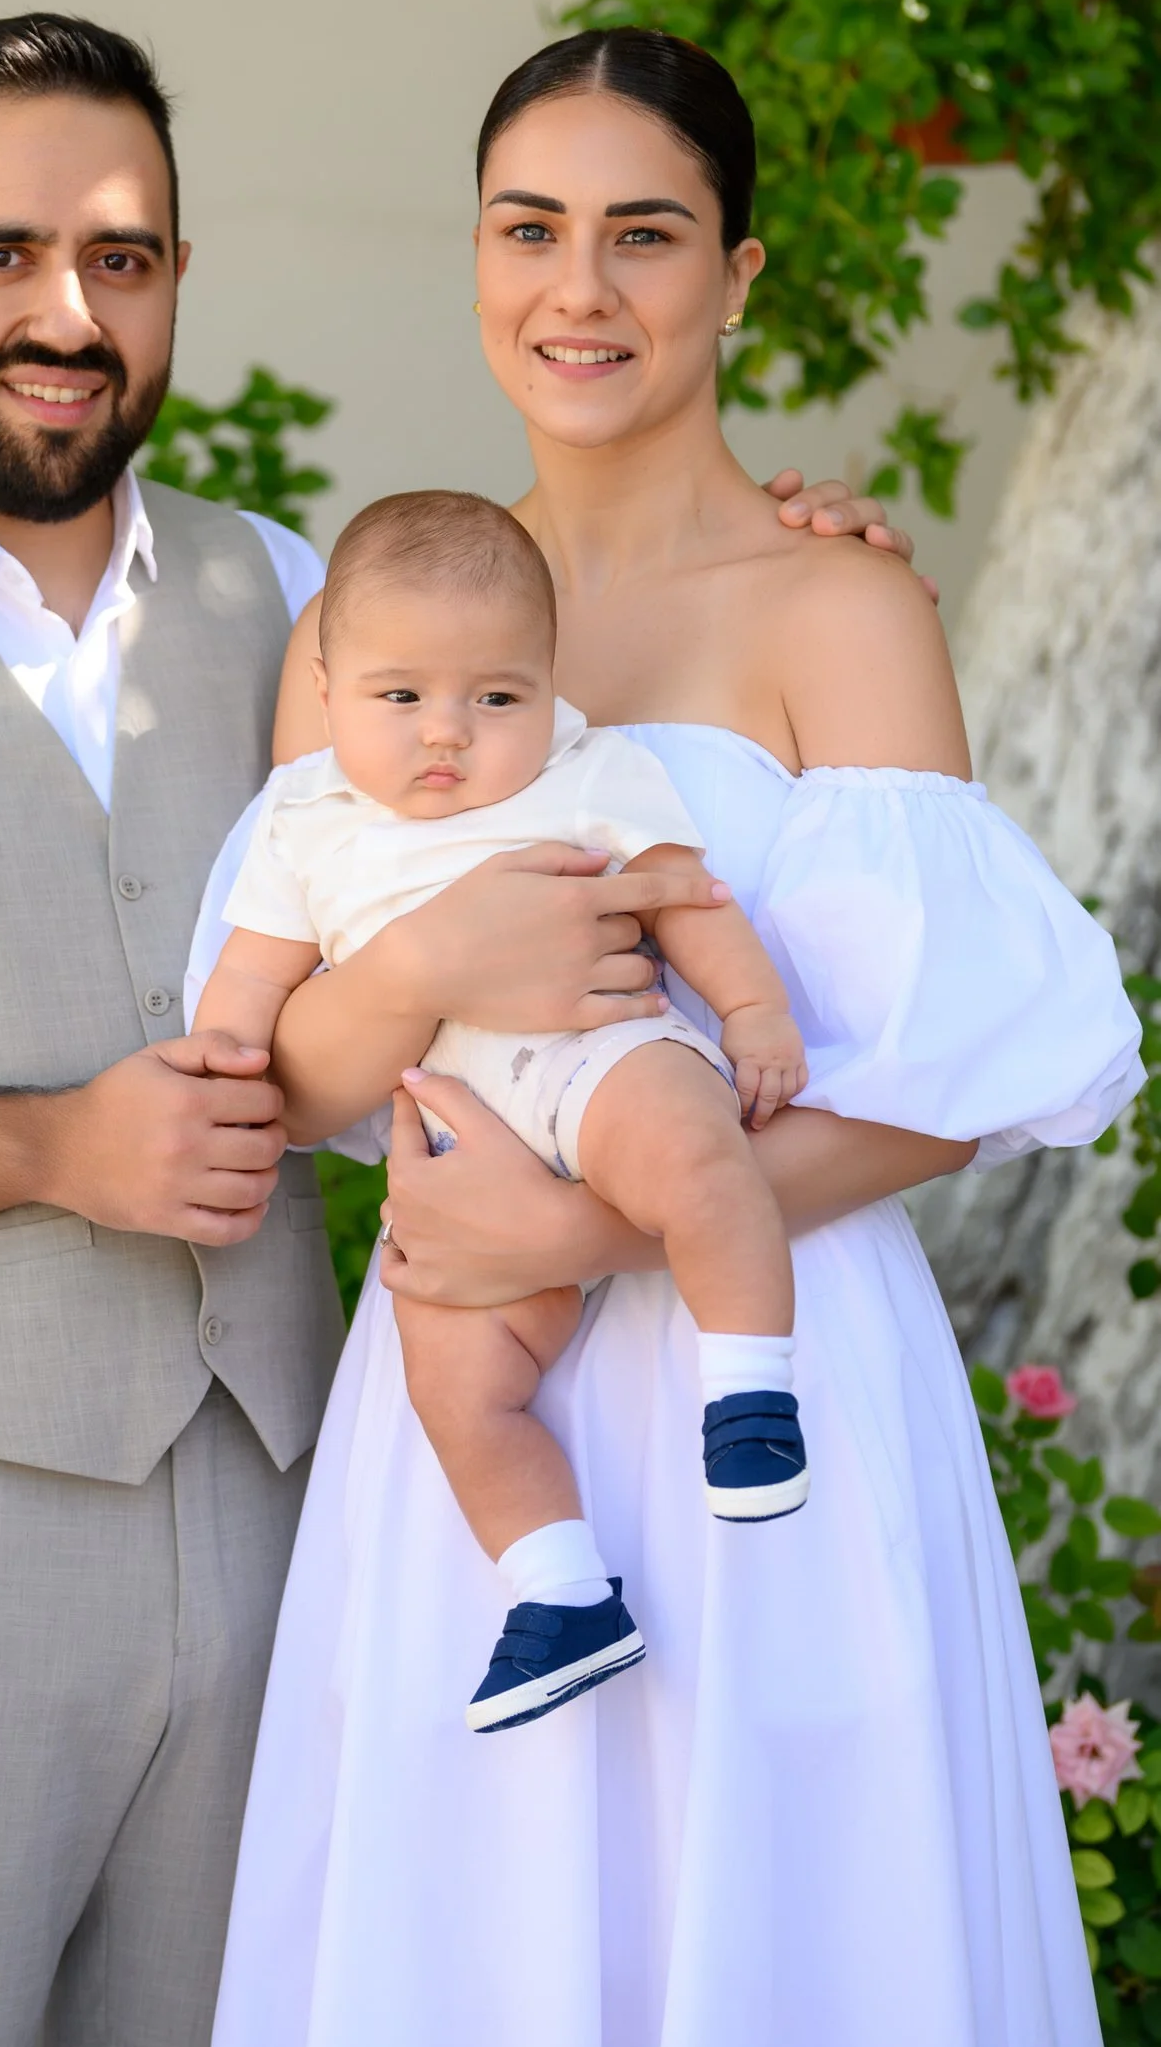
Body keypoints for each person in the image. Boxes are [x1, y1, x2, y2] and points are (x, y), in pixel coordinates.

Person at [0, 6, 920, 2047]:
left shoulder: (301, 596)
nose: (66, 312)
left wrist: (798, 563)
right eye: (0, 254)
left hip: (301, 1509)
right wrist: (45, 1143)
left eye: (126, 257)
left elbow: (553, 704)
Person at [194, 27, 1141, 2047]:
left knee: (788, 1953)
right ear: (470, 258)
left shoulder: (837, 598)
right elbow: (291, 1067)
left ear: (736, 273)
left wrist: (595, 1216)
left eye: (643, 234)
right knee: (479, 1951)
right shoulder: (367, 628)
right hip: (467, 1395)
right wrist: (436, 958)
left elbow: (948, 1081)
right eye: (528, 229)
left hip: (767, 1364)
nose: (578, 288)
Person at [196, 486, 810, 1737]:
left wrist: (747, 1015)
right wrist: (217, 1058)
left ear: (548, 686)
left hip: (597, 1059)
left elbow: (684, 899)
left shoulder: (588, 770)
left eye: (495, 697)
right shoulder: (305, 821)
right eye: (399, 695)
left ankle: (749, 1391)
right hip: (454, 1136)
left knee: (697, 1159)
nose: (448, 734)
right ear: (324, 688)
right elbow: (252, 980)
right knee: (455, 1386)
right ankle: (558, 1590)